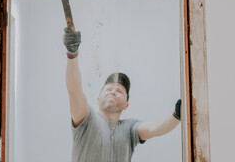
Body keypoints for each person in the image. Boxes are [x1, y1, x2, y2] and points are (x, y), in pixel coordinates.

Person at [63, 27, 181, 162]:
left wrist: (177, 115)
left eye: (119, 91)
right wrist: (72, 53)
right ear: (98, 98)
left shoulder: (130, 129)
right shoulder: (86, 118)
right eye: (108, 90)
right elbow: (74, 91)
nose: (113, 91)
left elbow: (154, 129)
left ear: (126, 104)